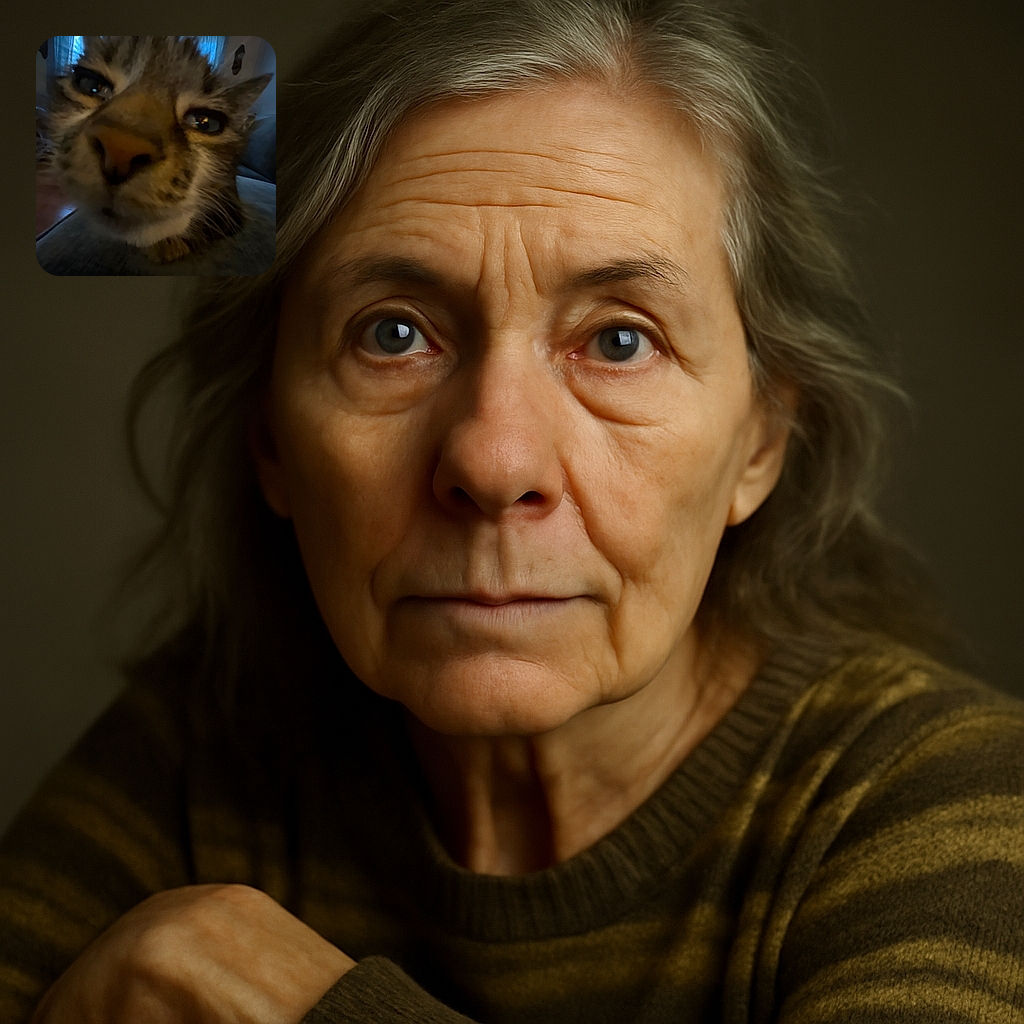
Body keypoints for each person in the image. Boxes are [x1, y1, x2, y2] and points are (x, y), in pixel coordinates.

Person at [2, 1, 1023, 1021]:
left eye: (619, 341)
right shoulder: (209, 754)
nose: (493, 461)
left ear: (760, 442)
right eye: (392, 334)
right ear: (270, 438)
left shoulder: (950, 804)